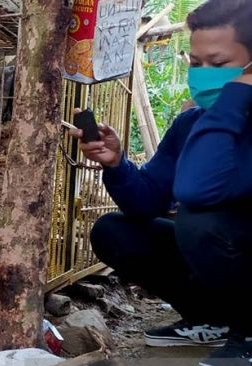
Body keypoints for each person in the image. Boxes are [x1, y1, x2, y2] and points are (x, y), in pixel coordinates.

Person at [69, 1, 252, 365]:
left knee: (200, 221)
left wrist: (234, 100)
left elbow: (196, 192)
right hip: (224, 253)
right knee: (114, 231)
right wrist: (118, 165)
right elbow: (147, 202)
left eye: (217, 65)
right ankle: (211, 318)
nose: (202, 75)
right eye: (196, 63)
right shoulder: (190, 124)